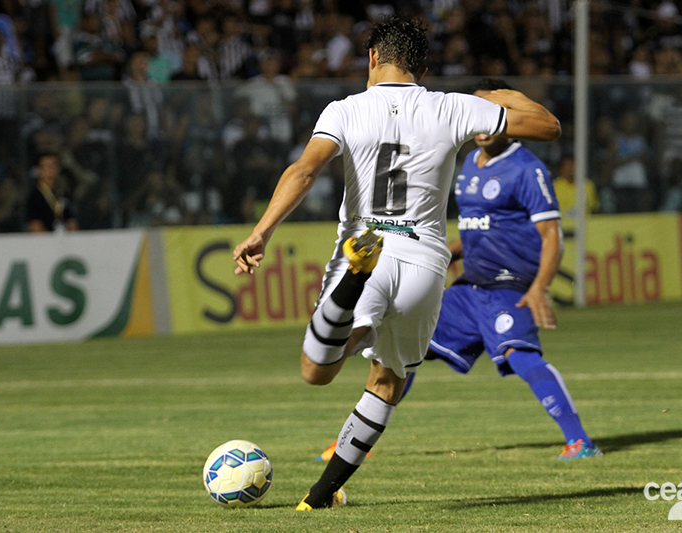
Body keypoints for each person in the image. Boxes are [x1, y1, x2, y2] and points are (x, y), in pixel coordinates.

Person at [233, 18, 560, 510]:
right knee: (388, 380)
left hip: (367, 243)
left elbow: (305, 170)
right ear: (423, 69)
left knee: (315, 372)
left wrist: (262, 230)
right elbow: (548, 126)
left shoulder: (345, 110)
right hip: (426, 263)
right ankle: (320, 497)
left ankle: (349, 293)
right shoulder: (452, 107)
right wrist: (499, 93)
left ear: (370, 57)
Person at [319, 79, 601, 463]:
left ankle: (580, 441)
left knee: (520, 355)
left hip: (508, 286)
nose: (482, 126)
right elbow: (479, 229)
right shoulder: (469, 163)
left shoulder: (526, 169)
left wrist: (538, 288)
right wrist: (446, 253)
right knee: (400, 352)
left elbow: (551, 234)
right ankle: (356, 443)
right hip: (468, 289)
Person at [26, 152, 77, 232]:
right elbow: (35, 226)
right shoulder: (34, 198)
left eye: (54, 165)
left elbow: (72, 223)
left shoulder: (64, 195)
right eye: (46, 166)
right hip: (45, 243)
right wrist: (52, 243)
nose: (51, 169)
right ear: (38, 170)